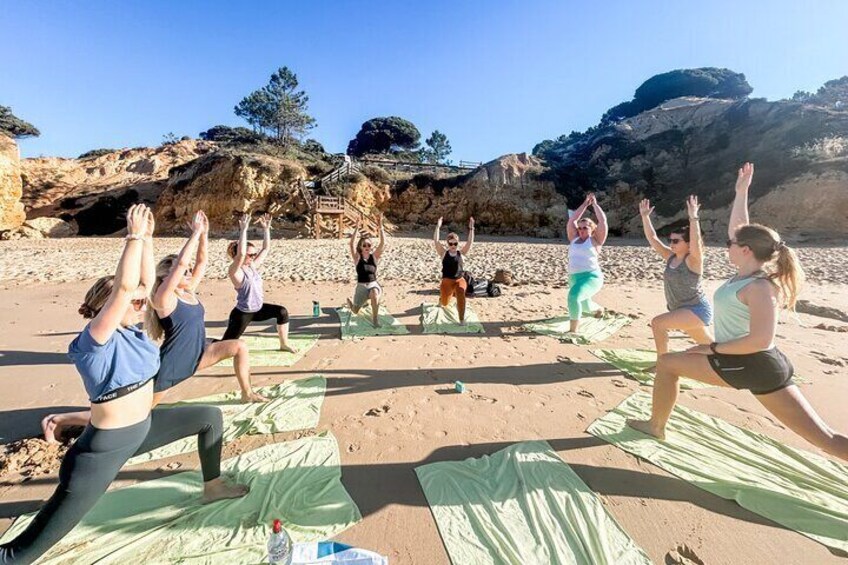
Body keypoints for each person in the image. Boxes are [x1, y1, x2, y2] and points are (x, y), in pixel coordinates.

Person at [3, 205, 248, 564]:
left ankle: (212, 487)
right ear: (107, 309)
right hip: (100, 456)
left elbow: (146, 285)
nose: (140, 303)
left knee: (210, 416)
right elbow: (125, 287)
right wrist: (133, 239)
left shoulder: (141, 333)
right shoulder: (93, 344)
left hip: (142, 430)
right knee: (18, 555)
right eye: (132, 302)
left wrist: (149, 240)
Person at [627, 163, 848, 462]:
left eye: (732, 243)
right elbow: (739, 229)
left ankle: (655, 426)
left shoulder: (759, 287)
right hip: (751, 362)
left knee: (825, 438)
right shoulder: (747, 272)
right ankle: (656, 424)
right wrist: (741, 192)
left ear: (745, 250)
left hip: (752, 364)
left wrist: (712, 347)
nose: (727, 244)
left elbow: (760, 341)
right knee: (825, 436)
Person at [148, 211, 269, 404]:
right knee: (138, 415)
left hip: (199, 352)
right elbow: (181, 264)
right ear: (165, 277)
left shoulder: (188, 291)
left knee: (240, 347)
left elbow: (201, 261)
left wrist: (204, 234)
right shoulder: (164, 299)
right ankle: (85, 422)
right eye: (183, 272)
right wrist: (195, 233)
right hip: (175, 361)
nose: (188, 272)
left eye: (188, 271)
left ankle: (247, 393)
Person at [639, 195, 714, 355]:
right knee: (709, 346)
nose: (671, 243)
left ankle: (663, 361)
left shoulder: (694, 261)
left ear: (688, 244)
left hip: (696, 310)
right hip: (678, 309)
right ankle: (732, 358)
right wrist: (645, 217)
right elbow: (652, 238)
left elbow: (696, 242)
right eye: (670, 240)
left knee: (658, 323)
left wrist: (693, 217)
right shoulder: (670, 256)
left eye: (676, 241)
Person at [222, 213, 296, 352]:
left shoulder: (252, 266)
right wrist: (243, 230)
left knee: (282, 312)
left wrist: (266, 229)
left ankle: (284, 344)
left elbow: (266, 249)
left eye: (254, 255)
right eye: (251, 255)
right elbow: (241, 254)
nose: (253, 257)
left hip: (258, 309)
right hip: (243, 314)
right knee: (225, 346)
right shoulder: (235, 271)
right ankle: (204, 344)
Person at [566, 193, 608, 333]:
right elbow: (572, 219)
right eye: (580, 228)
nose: (582, 230)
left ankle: (573, 331)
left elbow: (603, 222)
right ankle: (599, 309)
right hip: (573, 278)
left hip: (591, 277)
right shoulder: (574, 238)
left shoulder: (596, 240)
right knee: (584, 305)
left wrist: (594, 205)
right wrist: (585, 204)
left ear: (592, 229)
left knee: (573, 298)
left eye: (586, 228)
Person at [346, 215, 386, 328]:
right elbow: (351, 244)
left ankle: (375, 321)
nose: (367, 246)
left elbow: (383, 243)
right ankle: (352, 305)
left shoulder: (374, 257)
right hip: (361, 287)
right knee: (355, 310)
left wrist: (381, 226)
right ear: (361, 247)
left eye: (369, 245)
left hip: (373, 284)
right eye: (365, 245)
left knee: (374, 293)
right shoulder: (357, 257)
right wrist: (356, 228)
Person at [433, 216, 475, 325]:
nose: (453, 246)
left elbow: (470, 243)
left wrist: (471, 228)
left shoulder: (461, 253)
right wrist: (438, 226)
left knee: (461, 292)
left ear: (458, 243)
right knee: (444, 303)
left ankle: (461, 319)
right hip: (447, 281)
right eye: (450, 243)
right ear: (447, 244)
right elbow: (436, 241)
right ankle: (442, 298)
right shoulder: (443, 253)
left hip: (459, 280)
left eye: (455, 243)